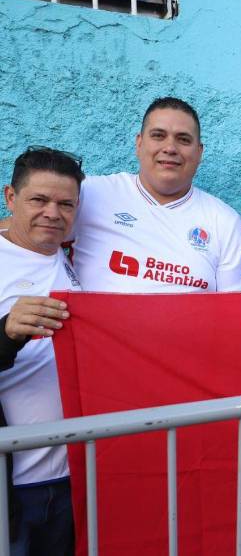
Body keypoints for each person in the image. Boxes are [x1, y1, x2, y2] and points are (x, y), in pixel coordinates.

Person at [68, 97, 241, 292]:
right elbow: (33, 242)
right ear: (139, 144)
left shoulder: (224, 221)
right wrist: (30, 299)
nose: (170, 148)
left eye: (183, 139)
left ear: (199, 153)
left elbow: (233, 310)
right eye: (158, 135)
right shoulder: (89, 193)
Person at [0, 147, 85, 555]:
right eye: (39, 200)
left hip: (73, 481)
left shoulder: (72, 259)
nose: (53, 212)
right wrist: (5, 333)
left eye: (65, 203)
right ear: (10, 198)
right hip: (13, 490)